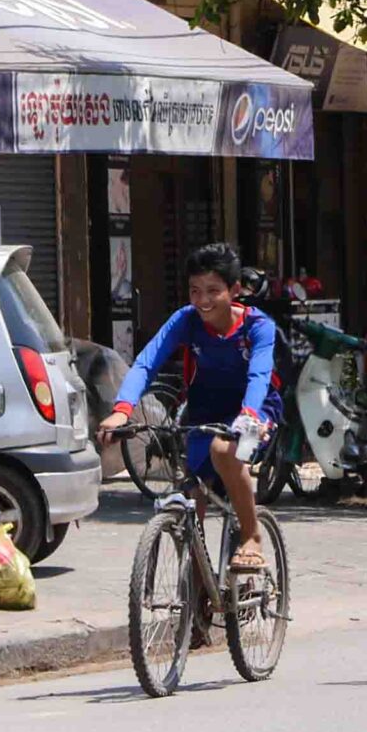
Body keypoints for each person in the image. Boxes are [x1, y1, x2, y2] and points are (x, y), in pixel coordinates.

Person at [99, 242, 280, 573]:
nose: (203, 301)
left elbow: (260, 375)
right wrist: (122, 409)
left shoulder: (259, 327)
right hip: (203, 411)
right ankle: (196, 601)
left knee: (224, 451)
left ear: (235, 290)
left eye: (213, 291)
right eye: (195, 291)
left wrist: (249, 415)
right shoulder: (186, 320)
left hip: (257, 411)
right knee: (192, 495)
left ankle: (252, 536)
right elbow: (145, 363)